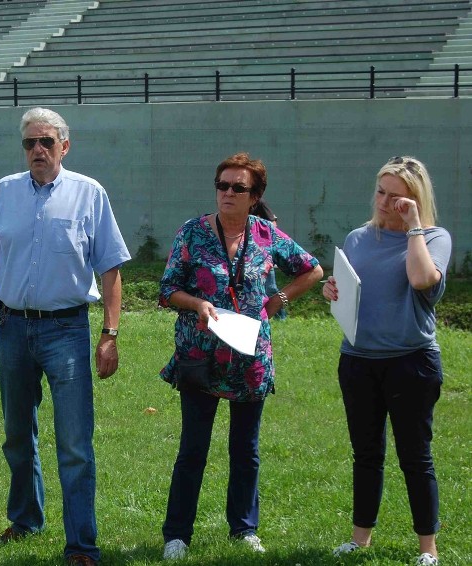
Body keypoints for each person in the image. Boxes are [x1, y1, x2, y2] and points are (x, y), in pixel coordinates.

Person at [0, 107, 131, 566]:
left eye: (47, 142)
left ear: (64, 146)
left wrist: (109, 333)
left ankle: (81, 546)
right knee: (17, 434)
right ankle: (26, 519)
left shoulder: (89, 194)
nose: (38, 150)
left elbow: (110, 268)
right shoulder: (3, 193)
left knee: (74, 443)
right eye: (30, 143)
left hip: (67, 330)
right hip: (11, 326)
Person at [158, 152, 323, 561]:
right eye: (222, 185)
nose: (227, 193)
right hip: (200, 355)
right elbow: (166, 290)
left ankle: (244, 529)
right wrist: (196, 304)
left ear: (255, 196)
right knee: (192, 448)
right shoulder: (192, 232)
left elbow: (313, 270)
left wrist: (278, 300)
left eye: (238, 188)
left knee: (245, 449)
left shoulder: (267, 235)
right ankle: (177, 536)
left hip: (249, 358)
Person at [323, 156, 451, 566]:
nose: (383, 201)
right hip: (359, 362)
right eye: (381, 191)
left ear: (414, 200)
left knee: (416, 455)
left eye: (396, 196)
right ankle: (360, 540)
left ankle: (427, 549)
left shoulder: (434, 238)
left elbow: (421, 280)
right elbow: (352, 289)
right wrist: (333, 290)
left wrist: (413, 225)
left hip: (411, 363)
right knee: (366, 453)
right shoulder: (359, 238)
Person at [251, 198, 286, 319]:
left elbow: (273, 224)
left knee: (271, 288)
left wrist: (257, 225)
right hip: (246, 256)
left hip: (262, 253)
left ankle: (281, 316)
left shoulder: (259, 203)